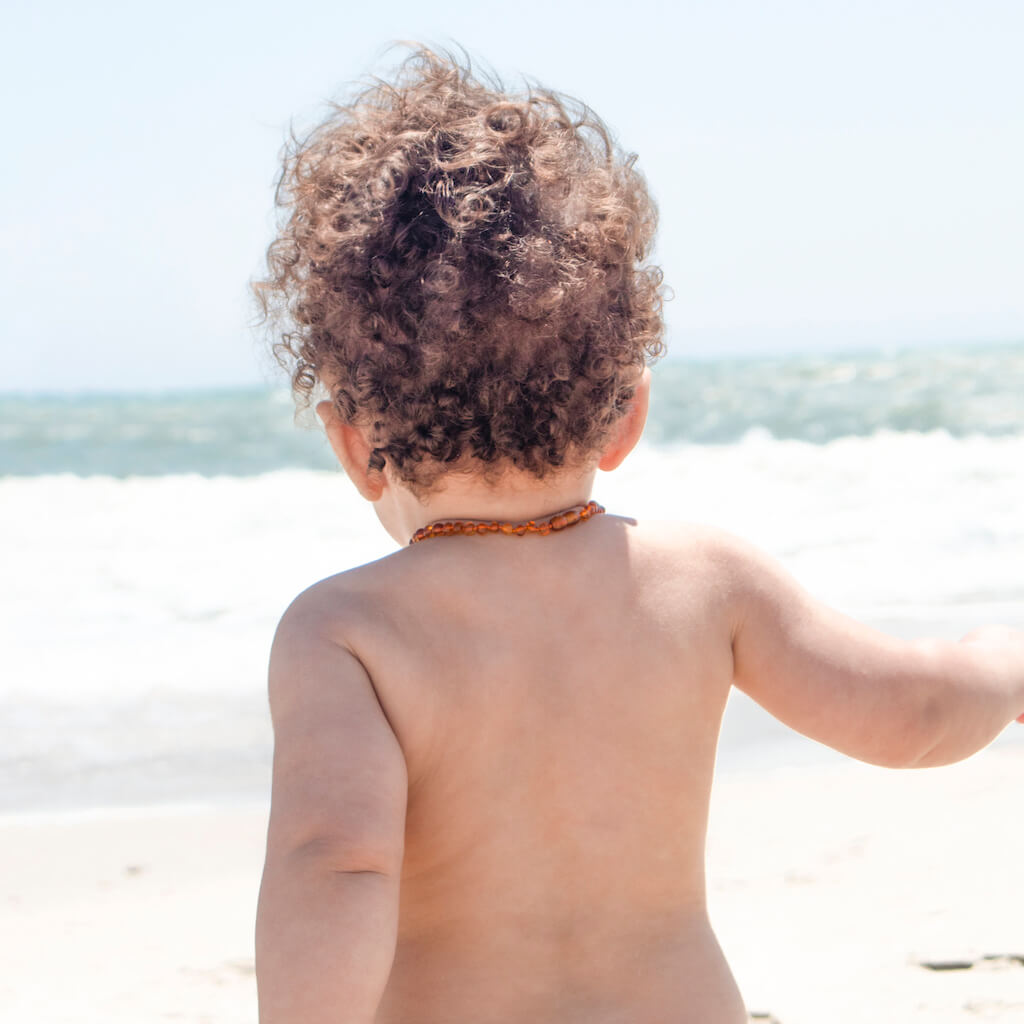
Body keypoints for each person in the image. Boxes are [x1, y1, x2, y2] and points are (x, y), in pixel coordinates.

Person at [252, 46, 1024, 1024]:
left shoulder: (347, 631)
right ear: (626, 413)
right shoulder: (702, 580)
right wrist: (1003, 663)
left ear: (356, 444)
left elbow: (335, 860)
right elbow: (911, 714)